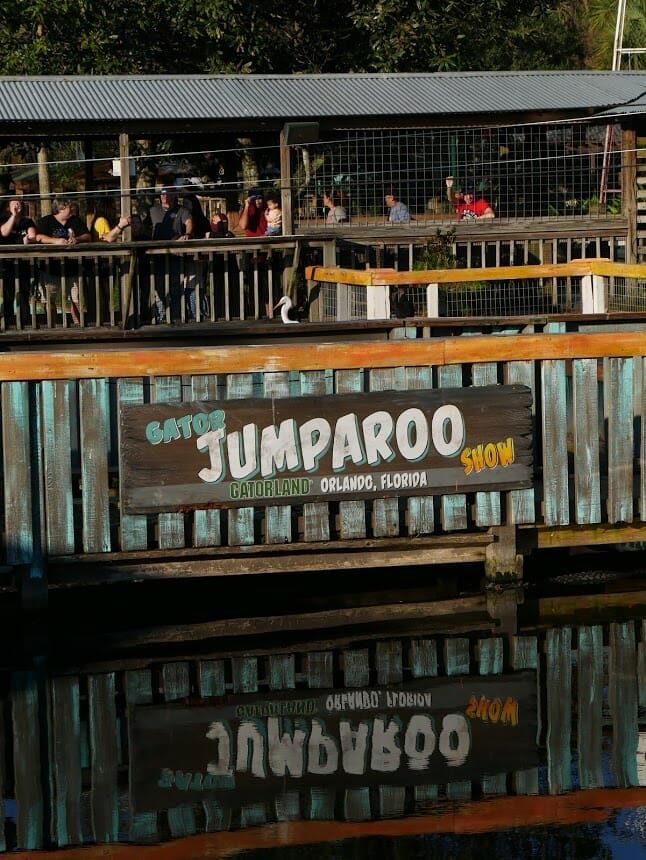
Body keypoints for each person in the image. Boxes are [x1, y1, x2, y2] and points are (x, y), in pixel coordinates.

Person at [36, 197, 91, 324]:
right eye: (69, 207)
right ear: (61, 209)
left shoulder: (75, 221)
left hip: (73, 267)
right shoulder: (46, 221)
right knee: (49, 300)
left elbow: (87, 235)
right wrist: (55, 241)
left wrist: (77, 239)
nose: (72, 209)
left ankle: (79, 325)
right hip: (50, 267)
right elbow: (39, 237)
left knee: (77, 298)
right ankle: (52, 326)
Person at [148, 187, 193, 322]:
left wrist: (187, 234)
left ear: (174, 196)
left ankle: (177, 316)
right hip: (157, 256)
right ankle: (162, 316)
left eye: (167, 194)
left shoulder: (182, 211)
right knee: (159, 287)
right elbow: (145, 227)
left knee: (175, 287)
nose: (164, 197)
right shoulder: (153, 211)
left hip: (175, 256)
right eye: (162, 195)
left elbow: (189, 222)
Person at [0, 198, 37, 325]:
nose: (17, 206)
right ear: (8, 207)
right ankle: (7, 321)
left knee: (23, 293)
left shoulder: (27, 221)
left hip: (24, 262)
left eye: (19, 204)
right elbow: (4, 232)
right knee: (8, 293)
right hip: (7, 263)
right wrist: (13, 216)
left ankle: (24, 321)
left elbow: (33, 235)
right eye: (14, 204)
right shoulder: (3, 219)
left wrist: (29, 240)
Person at [181, 193, 211, 320]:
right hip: (184, 257)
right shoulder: (182, 217)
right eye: (184, 204)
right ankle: (189, 312)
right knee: (186, 285)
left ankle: (199, 313)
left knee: (197, 285)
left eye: (188, 204)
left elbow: (207, 235)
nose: (185, 206)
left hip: (198, 257)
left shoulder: (201, 220)